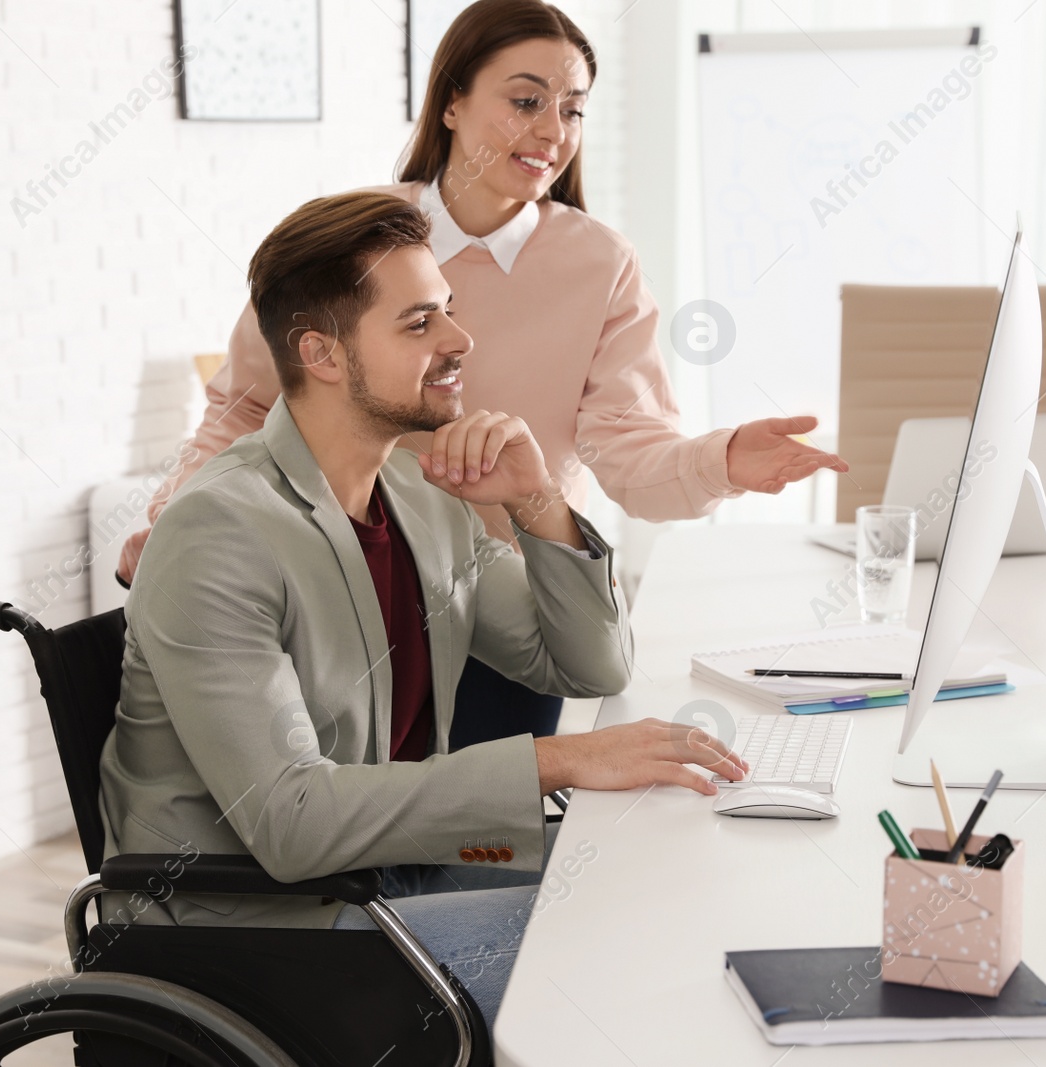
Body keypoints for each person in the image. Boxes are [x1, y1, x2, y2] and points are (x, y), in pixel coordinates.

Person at [97, 191, 747, 1029]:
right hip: (254, 933)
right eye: (418, 324)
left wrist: (538, 500)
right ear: (321, 353)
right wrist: (558, 761)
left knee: (655, 871)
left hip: (389, 876)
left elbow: (590, 664)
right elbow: (292, 824)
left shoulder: (415, 492)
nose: (460, 340)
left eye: (448, 311)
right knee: (618, 950)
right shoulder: (218, 532)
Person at [117, 0, 847, 745]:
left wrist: (720, 460)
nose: (553, 131)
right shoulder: (354, 244)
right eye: (526, 100)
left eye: (573, 109)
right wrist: (174, 517)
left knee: (488, 848)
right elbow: (243, 411)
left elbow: (628, 448)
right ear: (453, 102)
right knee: (357, 829)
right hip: (350, 600)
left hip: (513, 615)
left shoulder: (600, 264)